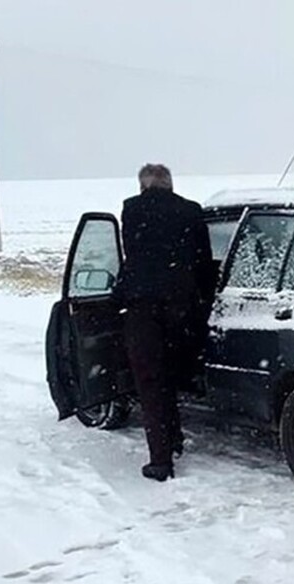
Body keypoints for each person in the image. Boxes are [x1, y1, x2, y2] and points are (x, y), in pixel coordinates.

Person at [118, 163, 215, 481]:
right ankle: (173, 440)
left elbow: (132, 255)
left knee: (151, 382)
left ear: (143, 186)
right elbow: (204, 261)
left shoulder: (132, 210)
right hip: (183, 308)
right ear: (170, 185)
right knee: (172, 375)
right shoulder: (191, 211)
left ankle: (161, 459)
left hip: (144, 309)